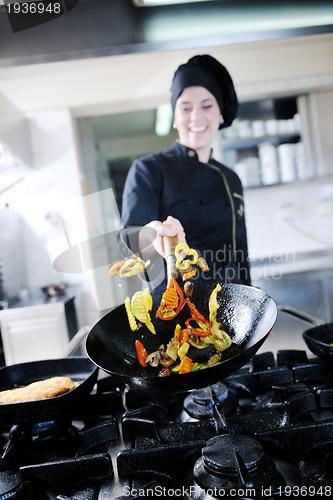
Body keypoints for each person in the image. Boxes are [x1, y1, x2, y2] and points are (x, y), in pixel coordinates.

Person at [121, 54, 251, 289]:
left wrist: (256, 313)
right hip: (175, 312)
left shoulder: (231, 179)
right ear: (174, 117)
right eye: (185, 107)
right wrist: (150, 236)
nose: (196, 116)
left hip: (231, 311)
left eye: (207, 105)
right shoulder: (149, 169)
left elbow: (240, 255)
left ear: (221, 114)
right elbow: (132, 238)